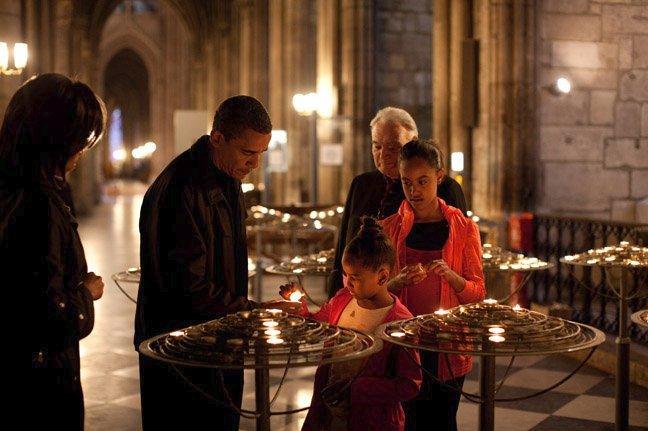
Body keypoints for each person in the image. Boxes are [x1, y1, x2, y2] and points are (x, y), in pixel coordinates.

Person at [134, 95, 299, 430]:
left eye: (261, 155)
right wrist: (253, 310)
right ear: (218, 138)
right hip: (184, 352)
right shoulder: (182, 188)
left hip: (217, 344)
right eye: (247, 152)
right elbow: (187, 287)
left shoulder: (227, 178)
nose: (255, 164)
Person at [0, 73, 106, 430]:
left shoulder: (11, 193)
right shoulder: (41, 207)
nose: (80, 153)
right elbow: (46, 316)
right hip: (39, 388)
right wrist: (85, 293)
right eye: (77, 142)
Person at [380, 140, 485, 431]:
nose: (414, 191)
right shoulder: (389, 229)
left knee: (442, 422)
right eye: (407, 182)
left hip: (447, 347)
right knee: (406, 422)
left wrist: (453, 278)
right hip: (402, 344)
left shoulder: (463, 228)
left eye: (423, 181)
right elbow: (369, 291)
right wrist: (397, 282)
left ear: (439, 177)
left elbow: (477, 293)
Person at [280, 217, 421, 431]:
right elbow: (316, 327)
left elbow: (409, 384)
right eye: (346, 275)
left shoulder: (400, 322)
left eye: (355, 277)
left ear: (382, 277)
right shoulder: (343, 298)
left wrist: (357, 389)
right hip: (329, 417)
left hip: (373, 422)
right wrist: (298, 306)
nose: (349, 283)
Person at [328, 107, 467, 298]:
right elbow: (344, 244)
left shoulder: (444, 188)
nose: (383, 154)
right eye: (377, 146)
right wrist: (335, 299)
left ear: (413, 142)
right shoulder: (361, 184)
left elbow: (460, 253)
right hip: (355, 297)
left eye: (393, 148)